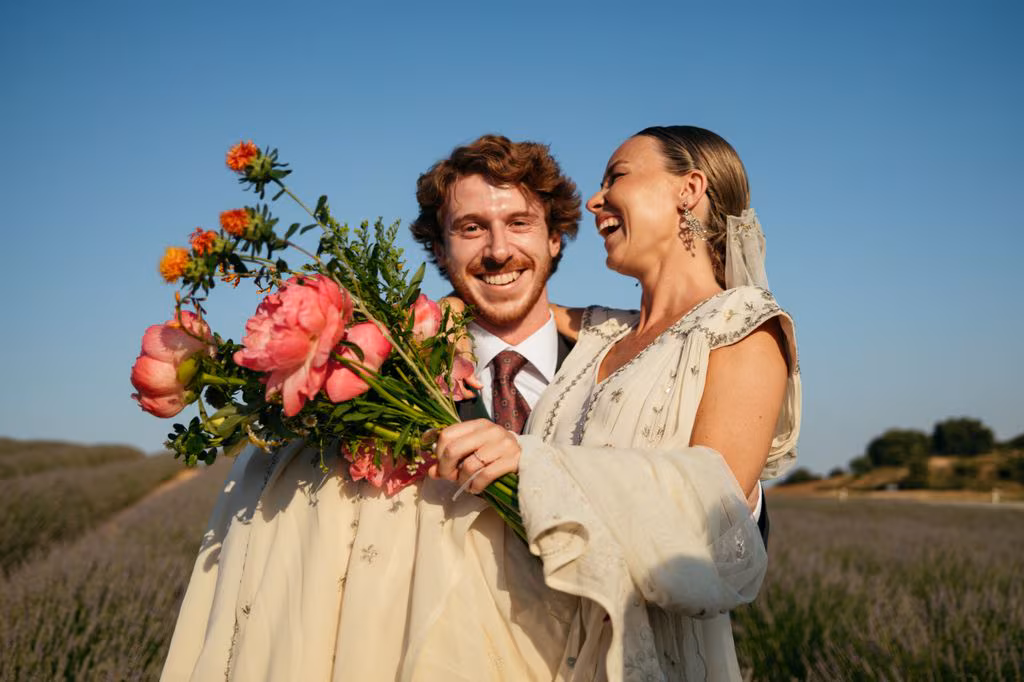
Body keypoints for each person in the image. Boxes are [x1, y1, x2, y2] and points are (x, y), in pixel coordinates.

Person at [161, 135, 585, 681]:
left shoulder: (615, 366)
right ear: (438, 250)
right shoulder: (377, 371)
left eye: (520, 223)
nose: (498, 250)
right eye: (471, 228)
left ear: (555, 239)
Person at [431, 125, 801, 680]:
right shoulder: (600, 331)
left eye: (617, 176)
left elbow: (716, 505)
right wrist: (447, 314)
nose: (598, 198)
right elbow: (506, 298)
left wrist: (532, 462)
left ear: (689, 189)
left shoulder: (743, 327)